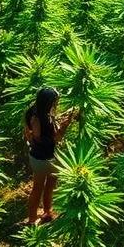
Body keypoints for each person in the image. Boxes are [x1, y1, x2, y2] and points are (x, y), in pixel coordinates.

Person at [24, 87, 75, 225]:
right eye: (55, 102)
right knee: (44, 187)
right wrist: (64, 126)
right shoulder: (43, 118)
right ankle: (40, 215)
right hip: (46, 158)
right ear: (48, 103)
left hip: (35, 156)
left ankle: (40, 215)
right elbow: (56, 138)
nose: (56, 104)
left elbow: (29, 133)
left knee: (38, 188)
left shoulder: (31, 111)